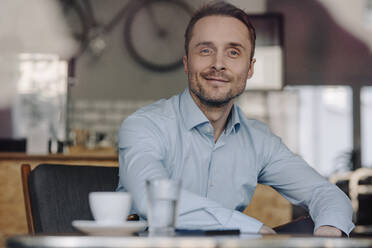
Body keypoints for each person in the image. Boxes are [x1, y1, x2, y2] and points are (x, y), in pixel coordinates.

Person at [117, 1, 354, 236]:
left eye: (233, 52)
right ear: (187, 62)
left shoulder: (259, 141)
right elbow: (153, 198)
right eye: (205, 50)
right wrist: (251, 228)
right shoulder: (144, 126)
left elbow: (326, 194)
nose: (218, 64)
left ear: (250, 68)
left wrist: (329, 234)